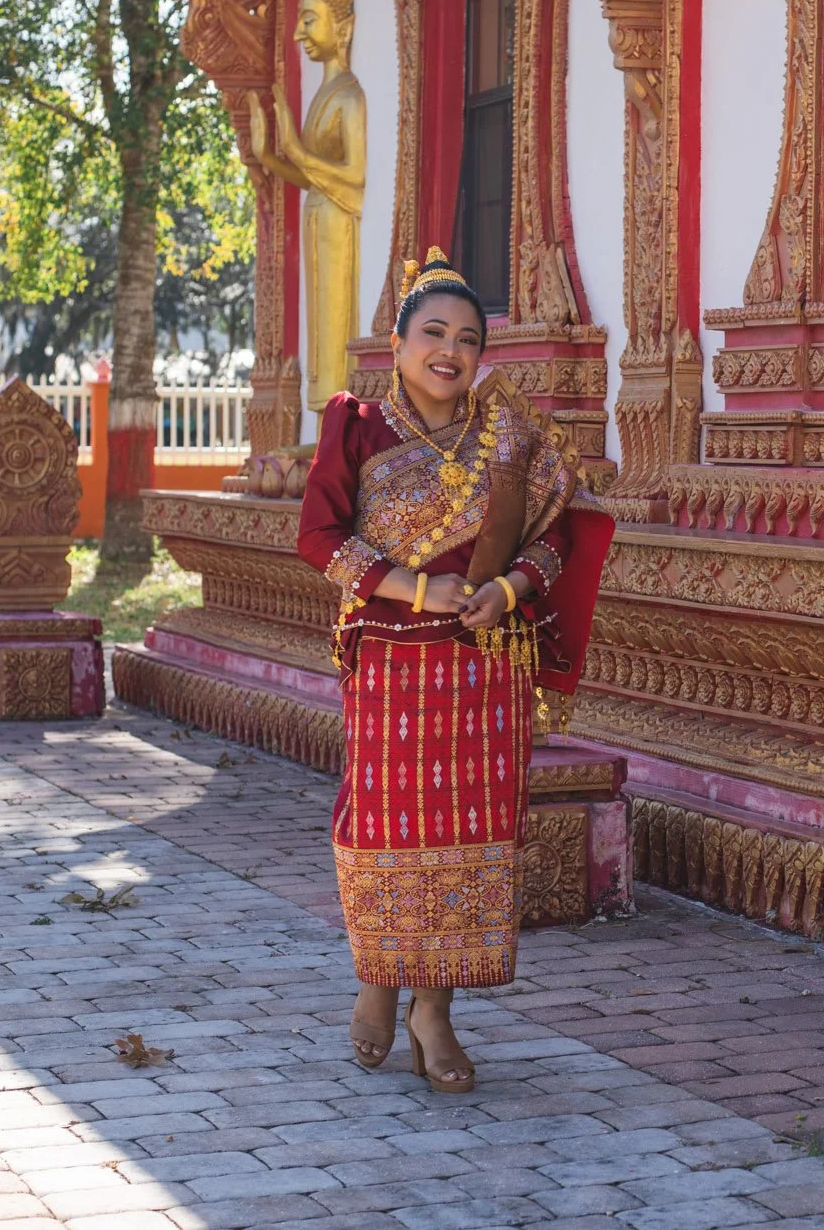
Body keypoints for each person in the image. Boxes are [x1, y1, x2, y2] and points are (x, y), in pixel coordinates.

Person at [296, 246, 612, 1092]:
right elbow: (318, 538)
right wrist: (415, 588)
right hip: (392, 664)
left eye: (468, 338)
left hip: (483, 670)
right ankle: (377, 975)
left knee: (467, 839)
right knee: (384, 825)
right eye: (432, 332)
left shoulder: (511, 434)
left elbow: (559, 534)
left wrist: (510, 588)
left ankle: (433, 1009)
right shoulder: (353, 425)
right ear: (397, 345)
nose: (451, 350)